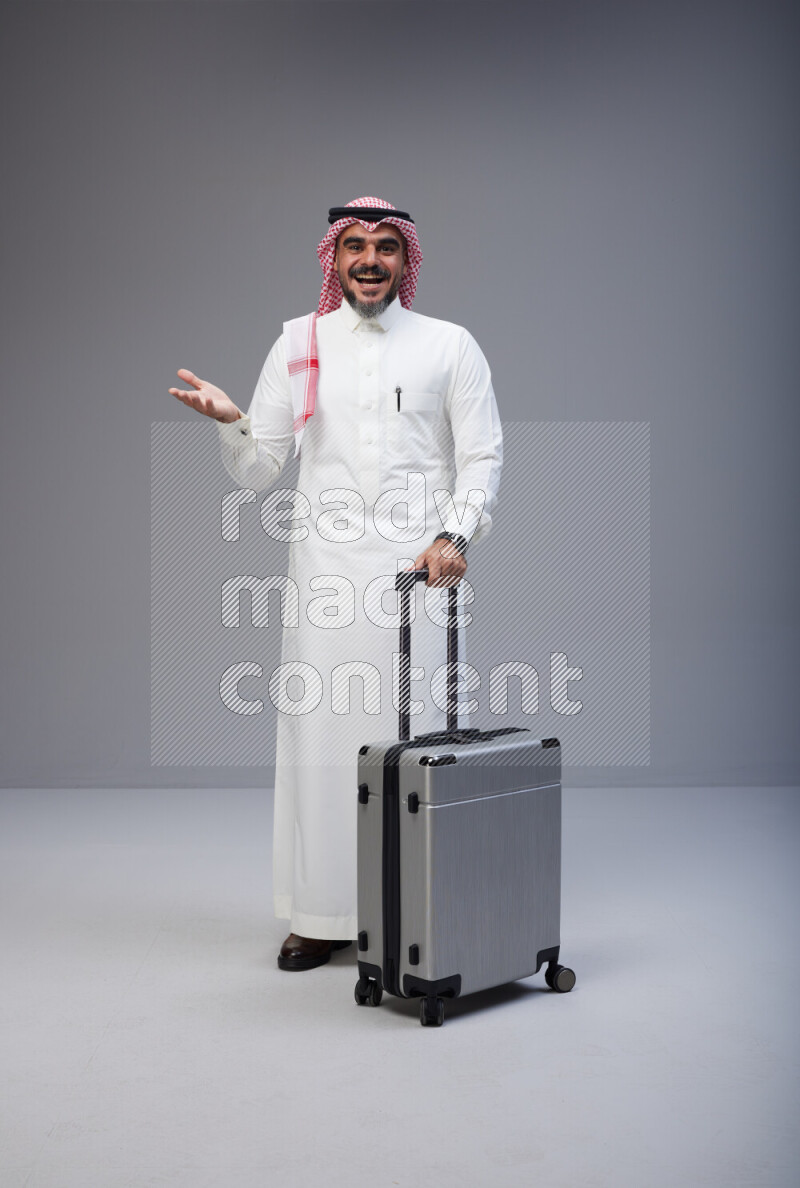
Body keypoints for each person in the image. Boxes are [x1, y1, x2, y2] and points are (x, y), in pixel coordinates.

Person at [169, 197, 503, 970]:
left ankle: (418, 907)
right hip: (325, 573)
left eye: (386, 246)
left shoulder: (450, 346)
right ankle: (321, 916)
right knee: (322, 745)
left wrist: (455, 535)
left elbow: (481, 457)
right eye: (354, 245)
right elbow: (259, 469)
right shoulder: (299, 341)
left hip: (421, 573)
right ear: (333, 256)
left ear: (405, 258)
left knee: (418, 741)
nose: (370, 260)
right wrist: (229, 420)